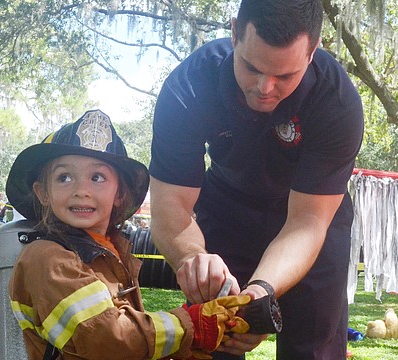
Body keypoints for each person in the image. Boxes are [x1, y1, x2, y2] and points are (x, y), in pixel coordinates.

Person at [149, 1, 365, 358]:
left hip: (310, 217)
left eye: (285, 76)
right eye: (251, 67)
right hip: (227, 206)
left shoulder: (336, 103)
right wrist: (193, 258)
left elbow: (306, 223)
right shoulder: (189, 86)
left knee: (314, 347)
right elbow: (170, 207)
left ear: (313, 51)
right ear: (234, 33)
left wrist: (263, 290)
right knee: (212, 338)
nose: (265, 88)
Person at [6, 110, 252, 359]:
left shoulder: (109, 251)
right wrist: (190, 327)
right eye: (64, 177)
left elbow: (130, 343)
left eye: (97, 177)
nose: (81, 190)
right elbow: (106, 338)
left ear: (120, 194)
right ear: (42, 193)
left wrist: (190, 345)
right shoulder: (47, 258)